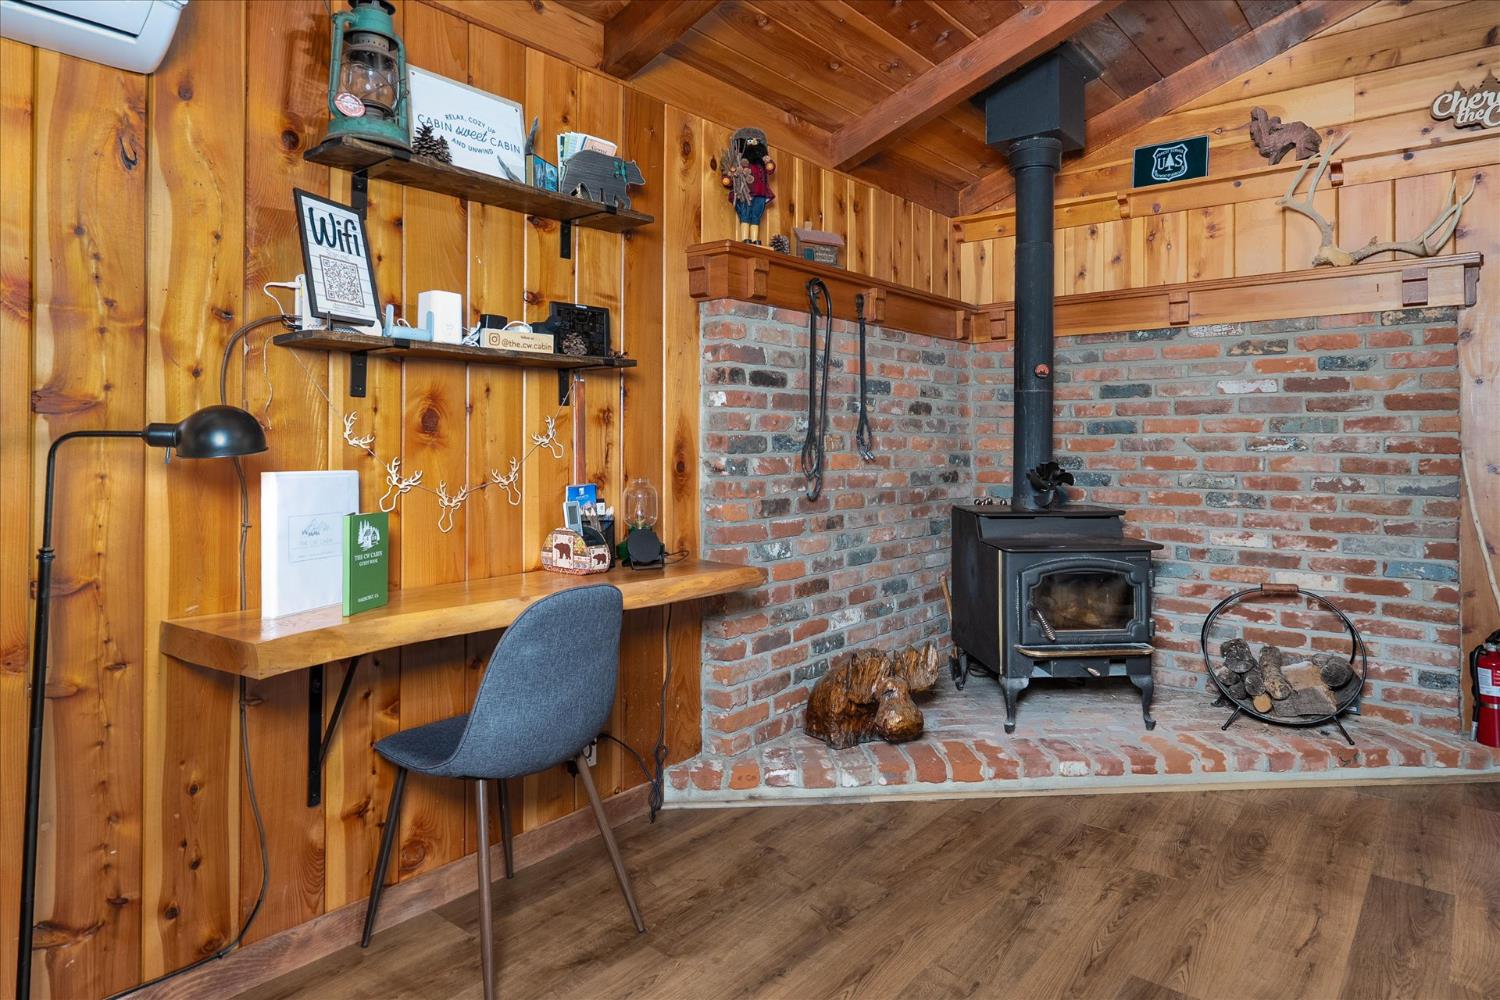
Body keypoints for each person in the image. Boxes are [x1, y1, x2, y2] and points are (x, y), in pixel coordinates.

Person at [722, 129, 775, 245]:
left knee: (756, 216)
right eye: (750, 141)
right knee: (745, 214)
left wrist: (769, 164)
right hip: (745, 193)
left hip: (760, 193)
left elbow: (770, 168)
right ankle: (745, 238)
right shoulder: (739, 163)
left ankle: (755, 239)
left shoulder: (761, 163)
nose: (753, 143)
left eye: (756, 142)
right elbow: (731, 174)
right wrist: (727, 179)